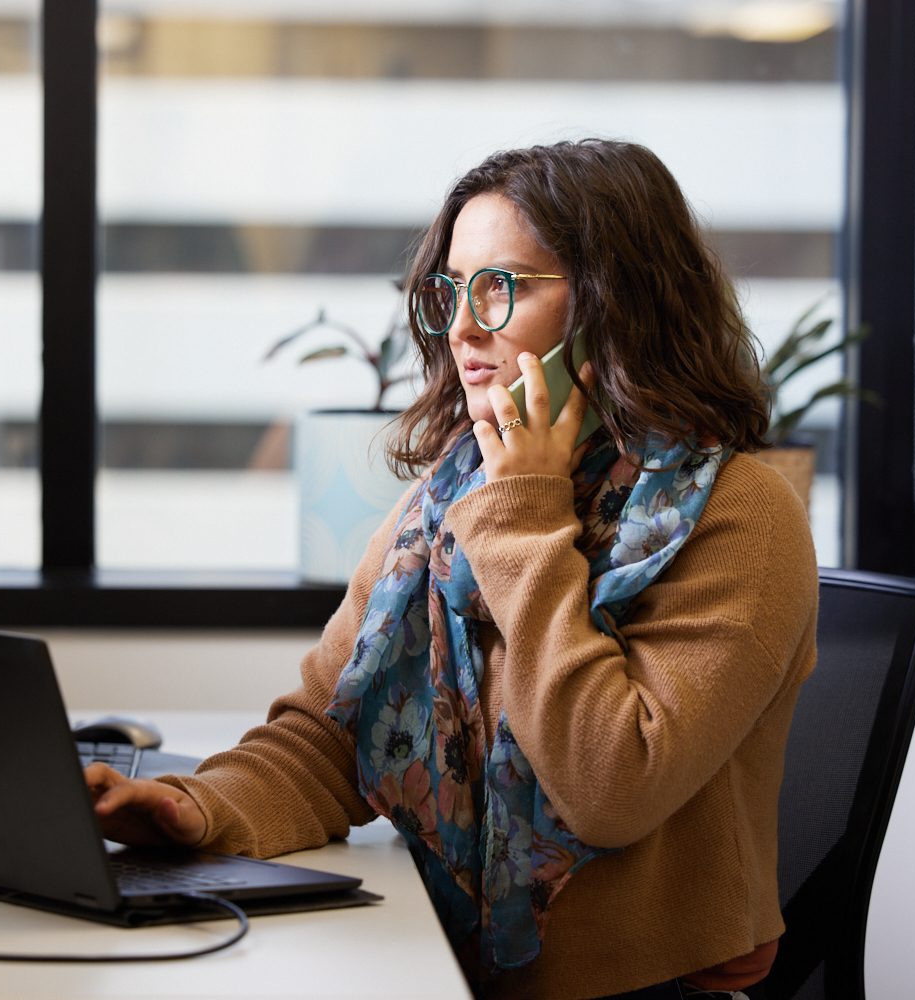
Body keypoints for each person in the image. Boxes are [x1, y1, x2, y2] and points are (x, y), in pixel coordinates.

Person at [85, 139, 818, 1000]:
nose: (464, 327)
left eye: (501, 287)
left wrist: (526, 516)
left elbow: (609, 786)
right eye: (452, 291)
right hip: (448, 968)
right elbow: (329, 736)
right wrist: (196, 808)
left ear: (615, 304)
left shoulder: (741, 516)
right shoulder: (451, 497)